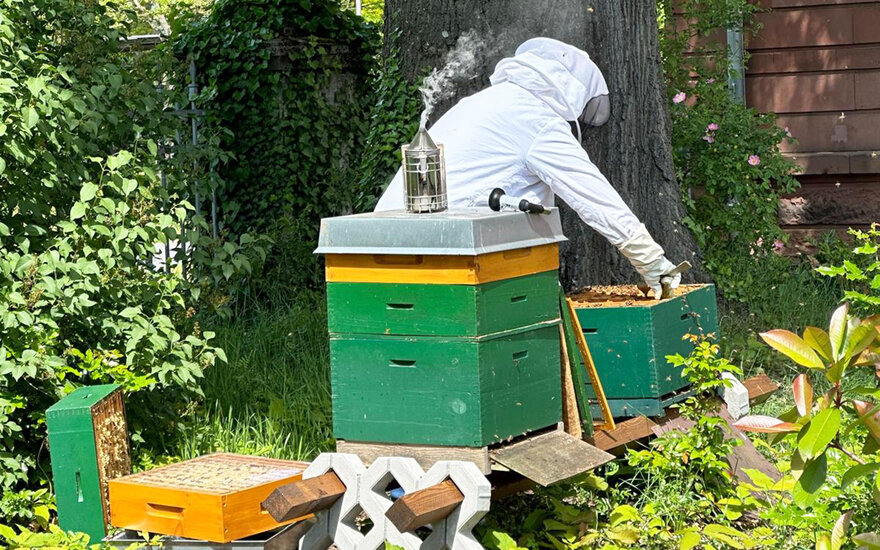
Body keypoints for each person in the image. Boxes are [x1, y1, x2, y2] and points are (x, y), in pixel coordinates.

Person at [375, 37, 683, 298]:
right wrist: (651, 260)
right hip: (441, 251)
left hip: (381, 242)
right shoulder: (536, 119)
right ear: (572, 93)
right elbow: (592, 194)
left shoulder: (483, 102)